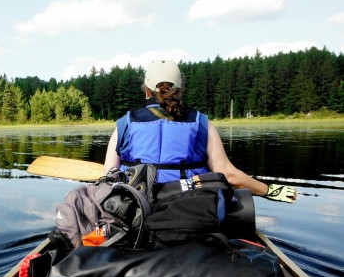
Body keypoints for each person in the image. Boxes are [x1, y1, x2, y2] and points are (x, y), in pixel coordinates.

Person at [104, 59, 296, 203]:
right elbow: (229, 175)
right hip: (191, 209)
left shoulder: (125, 124)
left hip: (138, 211)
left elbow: (110, 176)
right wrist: (269, 190)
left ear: (146, 91)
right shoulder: (201, 123)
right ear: (179, 90)